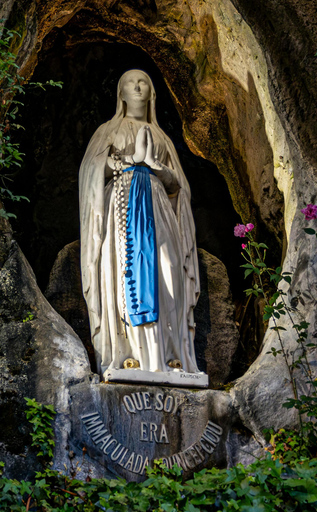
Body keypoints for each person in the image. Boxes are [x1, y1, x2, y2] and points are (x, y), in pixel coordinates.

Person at [79, 69, 200, 378]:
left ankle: (170, 356)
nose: (137, 86)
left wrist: (155, 166)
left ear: (152, 93)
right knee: (124, 273)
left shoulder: (162, 137)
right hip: (122, 209)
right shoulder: (108, 130)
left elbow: (178, 186)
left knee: (167, 269)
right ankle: (130, 355)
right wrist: (126, 162)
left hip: (158, 210)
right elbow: (90, 170)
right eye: (130, 82)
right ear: (120, 93)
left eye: (143, 81)